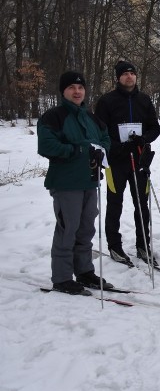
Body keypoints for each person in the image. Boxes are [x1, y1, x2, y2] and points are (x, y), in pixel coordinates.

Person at [37, 71, 112, 294]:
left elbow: (105, 137)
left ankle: (84, 271)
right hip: (66, 182)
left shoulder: (91, 117)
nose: (77, 91)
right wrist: (77, 150)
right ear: (63, 91)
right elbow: (46, 146)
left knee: (86, 228)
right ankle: (61, 278)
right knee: (67, 229)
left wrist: (101, 150)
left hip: (90, 181)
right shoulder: (53, 117)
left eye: (80, 88)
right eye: (71, 88)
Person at [94, 60, 160, 266]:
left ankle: (143, 245)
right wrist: (117, 147)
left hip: (140, 161)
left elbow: (155, 128)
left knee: (142, 204)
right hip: (116, 162)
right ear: (118, 78)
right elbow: (99, 132)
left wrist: (144, 139)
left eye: (132, 73)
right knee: (115, 204)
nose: (129, 76)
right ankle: (115, 246)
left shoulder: (144, 100)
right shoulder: (107, 101)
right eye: (124, 74)